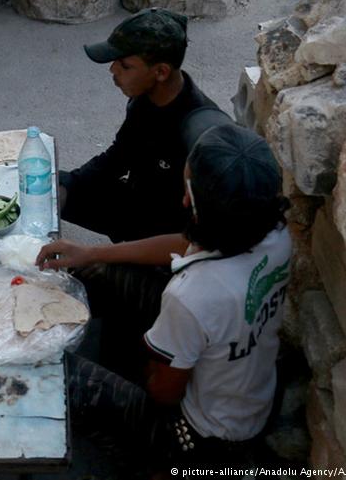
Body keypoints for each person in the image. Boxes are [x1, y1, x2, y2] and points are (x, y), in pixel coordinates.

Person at [48, 124, 291, 475]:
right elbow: (185, 244)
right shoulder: (274, 233)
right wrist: (90, 253)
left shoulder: (192, 293)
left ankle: (137, 464)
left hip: (198, 438)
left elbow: (163, 393)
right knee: (98, 275)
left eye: (186, 187)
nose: (181, 198)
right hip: (249, 398)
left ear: (192, 200)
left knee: (61, 374)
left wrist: (149, 352)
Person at [42, 8, 222, 379]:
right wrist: (67, 186)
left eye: (124, 65)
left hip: (167, 259)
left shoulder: (200, 136)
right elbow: (116, 157)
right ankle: (115, 306)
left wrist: (98, 254)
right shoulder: (146, 101)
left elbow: (193, 244)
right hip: (138, 212)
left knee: (79, 270)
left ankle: (125, 346)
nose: (112, 72)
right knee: (40, 188)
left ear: (160, 72)